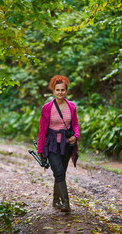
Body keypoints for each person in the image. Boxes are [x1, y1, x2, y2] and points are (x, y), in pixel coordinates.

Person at [37, 75, 80, 212]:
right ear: (53, 91)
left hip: (66, 145)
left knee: (60, 173)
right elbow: (43, 129)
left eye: (63, 90)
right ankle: (66, 203)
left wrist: (76, 136)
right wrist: (40, 148)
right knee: (59, 171)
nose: (60, 92)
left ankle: (56, 200)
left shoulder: (71, 106)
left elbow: (75, 125)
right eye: (58, 90)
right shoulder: (47, 108)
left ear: (66, 91)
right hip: (52, 144)